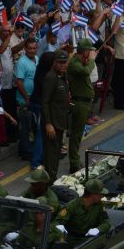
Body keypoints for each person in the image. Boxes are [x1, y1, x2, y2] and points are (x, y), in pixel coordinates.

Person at [67, 38, 96, 174]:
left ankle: (75, 159)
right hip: (79, 103)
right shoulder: (74, 63)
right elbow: (85, 72)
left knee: (78, 133)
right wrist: (92, 60)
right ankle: (74, 162)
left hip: (84, 102)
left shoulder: (80, 62)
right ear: (85, 51)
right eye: (89, 50)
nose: (91, 52)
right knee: (76, 135)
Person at [41, 50, 71, 180]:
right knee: (51, 155)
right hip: (52, 123)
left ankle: (52, 178)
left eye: (65, 62)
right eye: (60, 63)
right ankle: (50, 182)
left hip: (60, 121)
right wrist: (48, 123)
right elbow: (45, 102)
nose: (63, 65)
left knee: (56, 152)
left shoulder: (62, 76)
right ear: (54, 63)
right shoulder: (51, 77)